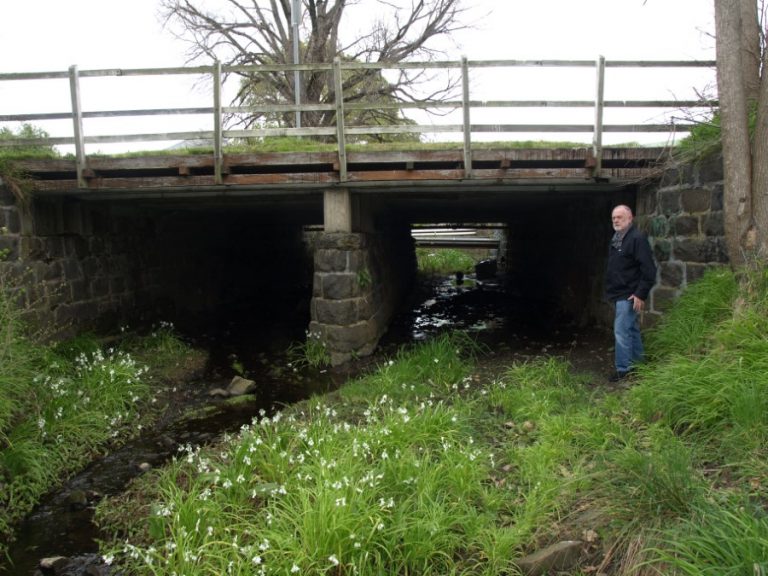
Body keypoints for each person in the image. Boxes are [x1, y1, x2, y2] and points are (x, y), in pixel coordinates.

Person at [605, 205, 656, 382]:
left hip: (629, 294)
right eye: (614, 218)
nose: (616, 221)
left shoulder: (636, 238)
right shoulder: (618, 238)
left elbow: (649, 269)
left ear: (630, 218)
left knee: (621, 332)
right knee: (631, 329)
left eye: (619, 217)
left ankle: (623, 370)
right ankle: (639, 364)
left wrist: (640, 293)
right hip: (620, 292)